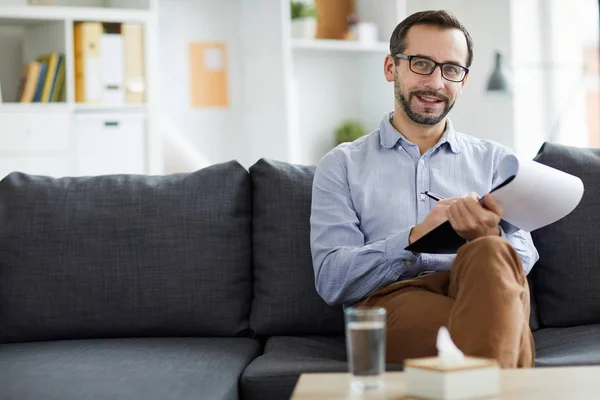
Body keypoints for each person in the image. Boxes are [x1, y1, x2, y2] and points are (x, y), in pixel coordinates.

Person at [309, 10, 539, 369]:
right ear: (391, 68)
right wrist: (415, 238)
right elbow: (332, 279)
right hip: (396, 297)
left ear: (462, 81)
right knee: (499, 320)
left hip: (483, 284)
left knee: (492, 253)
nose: (435, 82)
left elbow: (522, 259)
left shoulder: (496, 161)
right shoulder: (342, 165)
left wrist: (488, 235)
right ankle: (509, 362)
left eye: (451, 69)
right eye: (421, 64)